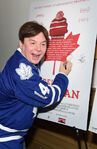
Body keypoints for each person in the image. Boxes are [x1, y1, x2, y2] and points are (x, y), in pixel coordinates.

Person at [0, 21, 72, 149]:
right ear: (21, 44)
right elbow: (47, 97)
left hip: (15, 134)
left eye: (43, 44)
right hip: (5, 138)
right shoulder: (21, 70)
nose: (38, 49)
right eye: (32, 43)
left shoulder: (25, 59)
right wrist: (62, 75)